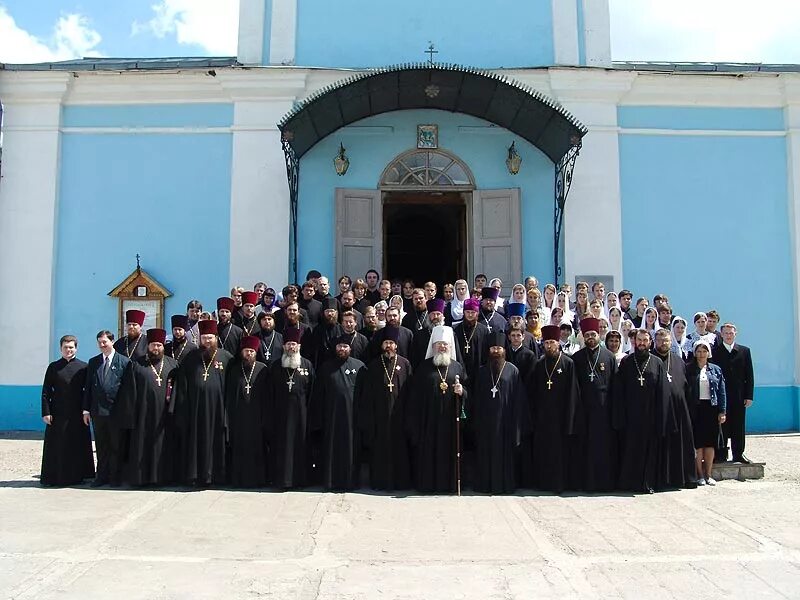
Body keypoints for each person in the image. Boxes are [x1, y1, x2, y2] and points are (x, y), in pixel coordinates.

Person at [407, 325, 467, 494]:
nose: (442, 347)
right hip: (428, 421)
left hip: (449, 420)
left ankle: (449, 485)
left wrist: (462, 392)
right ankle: (428, 485)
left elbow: (467, 390)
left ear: (450, 346)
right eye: (438, 344)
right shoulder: (423, 368)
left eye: (445, 344)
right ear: (432, 346)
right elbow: (415, 397)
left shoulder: (457, 367)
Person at [521, 325, 581, 493]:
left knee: (560, 453)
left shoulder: (568, 363)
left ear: (558, 344)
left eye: (552, 342)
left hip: (561, 417)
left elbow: (573, 394)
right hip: (542, 418)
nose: (549, 346)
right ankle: (543, 483)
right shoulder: (539, 364)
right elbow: (532, 393)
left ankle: (559, 484)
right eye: (546, 343)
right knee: (544, 452)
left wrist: (570, 420)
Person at [116, 328, 179, 486]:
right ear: (148, 346)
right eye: (152, 345)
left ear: (163, 346)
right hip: (142, 415)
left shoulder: (173, 364)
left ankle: (164, 478)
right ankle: (141, 479)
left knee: (163, 447)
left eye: (158, 345)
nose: (155, 348)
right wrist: (131, 416)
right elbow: (129, 392)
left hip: (165, 415)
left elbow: (178, 391)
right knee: (141, 447)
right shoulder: (136, 365)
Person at [173, 320, 232, 487]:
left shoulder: (226, 357)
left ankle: (217, 476)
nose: (207, 341)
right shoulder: (190, 358)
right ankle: (196, 476)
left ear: (216, 338)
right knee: (196, 442)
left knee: (217, 443)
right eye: (204, 337)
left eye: (210, 337)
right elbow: (182, 387)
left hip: (218, 411)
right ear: (200, 338)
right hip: (196, 410)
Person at [468, 331, 527, 494]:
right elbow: (475, 399)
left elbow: (518, 400)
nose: (496, 351)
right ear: (489, 350)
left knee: (504, 457)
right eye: (493, 348)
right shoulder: (481, 371)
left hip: (506, 424)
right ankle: (484, 485)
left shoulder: (512, 371)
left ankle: (505, 485)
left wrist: (516, 426)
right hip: (485, 423)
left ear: (504, 350)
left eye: (499, 348)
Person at [614, 329, 670, 493]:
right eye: (639, 340)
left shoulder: (657, 362)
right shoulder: (626, 362)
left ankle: (648, 483)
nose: (642, 343)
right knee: (630, 450)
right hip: (631, 416)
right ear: (634, 341)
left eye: (645, 340)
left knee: (649, 452)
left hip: (650, 416)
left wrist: (661, 416)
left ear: (650, 342)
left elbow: (662, 391)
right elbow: (620, 390)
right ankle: (629, 483)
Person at [358, 325, 413, 490]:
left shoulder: (405, 364)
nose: (388, 346)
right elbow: (367, 395)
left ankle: (400, 482)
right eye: (386, 343)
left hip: (399, 416)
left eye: (391, 343)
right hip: (379, 417)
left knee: (399, 449)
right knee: (380, 450)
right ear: (381, 345)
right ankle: (380, 482)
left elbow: (410, 392)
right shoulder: (374, 366)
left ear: (396, 345)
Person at [310, 337, 366, 491]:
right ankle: (330, 482)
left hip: (351, 419)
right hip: (331, 418)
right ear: (335, 348)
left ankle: (350, 482)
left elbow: (364, 395)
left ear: (350, 348)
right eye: (340, 346)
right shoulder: (326, 368)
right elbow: (319, 395)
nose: (342, 349)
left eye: (345, 346)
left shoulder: (360, 366)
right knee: (331, 449)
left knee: (351, 450)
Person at [40, 335, 94, 487]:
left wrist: (86, 411)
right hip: (57, 412)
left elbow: (88, 391)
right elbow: (46, 391)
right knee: (57, 445)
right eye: (65, 347)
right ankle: (54, 477)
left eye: (71, 347)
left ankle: (78, 476)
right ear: (60, 348)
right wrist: (46, 412)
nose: (68, 350)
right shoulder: (53, 367)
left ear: (76, 348)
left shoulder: (84, 367)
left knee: (77, 444)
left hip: (78, 413)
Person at [266, 327, 315, 489]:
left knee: (300, 447)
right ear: (283, 346)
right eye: (288, 344)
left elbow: (312, 392)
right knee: (281, 447)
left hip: (302, 416)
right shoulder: (275, 366)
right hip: (280, 416)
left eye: (293, 344)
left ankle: (300, 480)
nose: (291, 347)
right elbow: (270, 393)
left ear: (299, 346)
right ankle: (281, 480)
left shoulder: (307, 365)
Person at [573, 318, 618, 492]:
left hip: (604, 411)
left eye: (593, 334)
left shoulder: (609, 356)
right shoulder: (577, 358)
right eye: (587, 335)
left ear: (598, 335)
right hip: (584, 410)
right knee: (585, 448)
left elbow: (615, 385)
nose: (590, 337)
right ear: (583, 337)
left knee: (603, 448)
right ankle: (587, 483)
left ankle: (604, 483)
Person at [83, 330, 131, 487]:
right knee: (101, 446)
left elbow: (127, 390)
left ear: (112, 341)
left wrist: (126, 411)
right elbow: (88, 387)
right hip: (98, 412)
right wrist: (86, 410)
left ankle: (116, 477)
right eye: (100, 342)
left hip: (116, 412)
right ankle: (101, 476)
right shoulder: (94, 362)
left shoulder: (124, 362)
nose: (102, 345)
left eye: (105, 342)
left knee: (116, 445)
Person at [652, 328, 696, 489]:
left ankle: (683, 478)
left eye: (666, 340)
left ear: (671, 342)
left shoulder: (678, 361)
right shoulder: (651, 360)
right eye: (660, 340)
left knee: (681, 445)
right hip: (659, 410)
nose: (663, 343)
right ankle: (662, 480)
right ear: (654, 342)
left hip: (679, 410)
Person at [225, 336, 270, 488]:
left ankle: (258, 480)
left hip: (257, 418)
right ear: (241, 352)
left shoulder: (263, 369)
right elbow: (229, 397)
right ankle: (238, 480)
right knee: (239, 449)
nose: (249, 354)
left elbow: (268, 396)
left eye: (251, 351)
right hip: (238, 418)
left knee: (257, 449)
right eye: (246, 351)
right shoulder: (235, 371)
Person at [711, 323, 754, 463]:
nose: (728, 335)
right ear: (721, 334)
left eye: (731, 333)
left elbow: (749, 375)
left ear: (735, 333)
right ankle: (721, 454)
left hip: (739, 396)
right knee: (721, 426)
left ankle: (738, 454)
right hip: (721, 396)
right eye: (726, 333)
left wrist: (749, 396)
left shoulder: (744, 351)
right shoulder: (715, 351)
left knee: (738, 426)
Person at [686, 339, 727, 486]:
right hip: (696, 409)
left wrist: (722, 411)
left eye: (704, 351)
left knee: (710, 443)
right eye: (699, 351)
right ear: (695, 352)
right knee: (698, 444)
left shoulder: (716, 369)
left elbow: (721, 391)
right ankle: (699, 474)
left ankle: (709, 474)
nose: (701, 354)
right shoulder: (688, 369)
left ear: (708, 353)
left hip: (711, 408)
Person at [453, 298, 490, 386]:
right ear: (463, 312)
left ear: (477, 313)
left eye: (473, 312)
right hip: (460, 370)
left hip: (478, 371)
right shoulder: (456, 330)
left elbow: (486, 352)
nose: (470, 315)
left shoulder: (484, 331)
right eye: (467, 312)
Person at [304, 297, 342, 369]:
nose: (329, 314)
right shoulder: (317, 329)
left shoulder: (342, 329)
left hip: (337, 365)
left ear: (336, 312)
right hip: (321, 366)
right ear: (323, 312)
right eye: (327, 311)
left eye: (332, 311)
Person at [410, 298, 446, 369]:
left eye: (438, 314)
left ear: (442, 315)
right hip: (425, 371)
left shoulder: (449, 333)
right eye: (432, 314)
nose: (435, 317)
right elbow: (414, 358)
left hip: (445, 370)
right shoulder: (420, 335)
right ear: (428, 316)